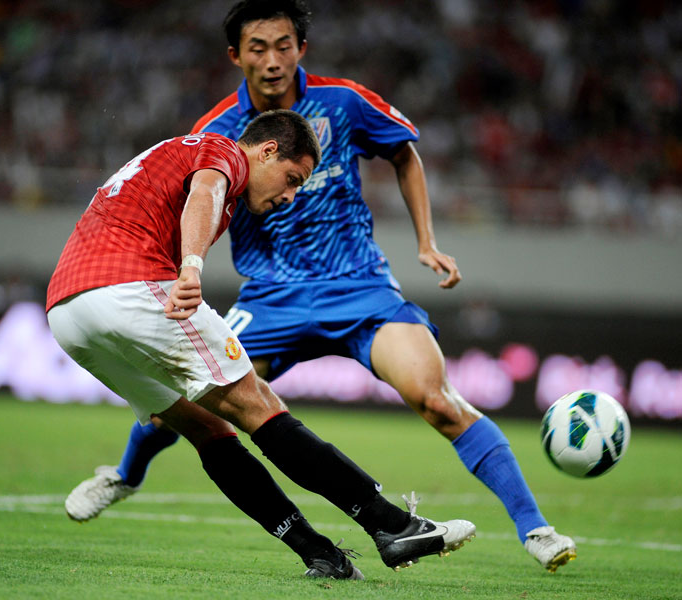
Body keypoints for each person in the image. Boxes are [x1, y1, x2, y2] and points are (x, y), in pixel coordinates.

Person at [64, 0, 575, 573]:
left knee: (437, 399)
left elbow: (404, 153)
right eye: (258, 48)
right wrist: (187, 267)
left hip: (358, 286)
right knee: (182, 407)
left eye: (285, 45)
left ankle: (535, 529)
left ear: (301, 48)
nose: (274, 59)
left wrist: (426, 242)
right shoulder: (214, 131)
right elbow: (195, 202)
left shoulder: (343, 99)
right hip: (271, 294)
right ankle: (125, 475)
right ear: (235, 56)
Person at [48, 108, 476, 580]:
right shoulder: (222, 150)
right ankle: (391, 525)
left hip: (67, 314)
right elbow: (205, 190)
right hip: (127, 286)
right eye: (292, 178)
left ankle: (322, 555)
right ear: (267, 151)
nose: (290, 195)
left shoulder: (169, 157)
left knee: (207, 429)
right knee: (260, 405)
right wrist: (191, 266)